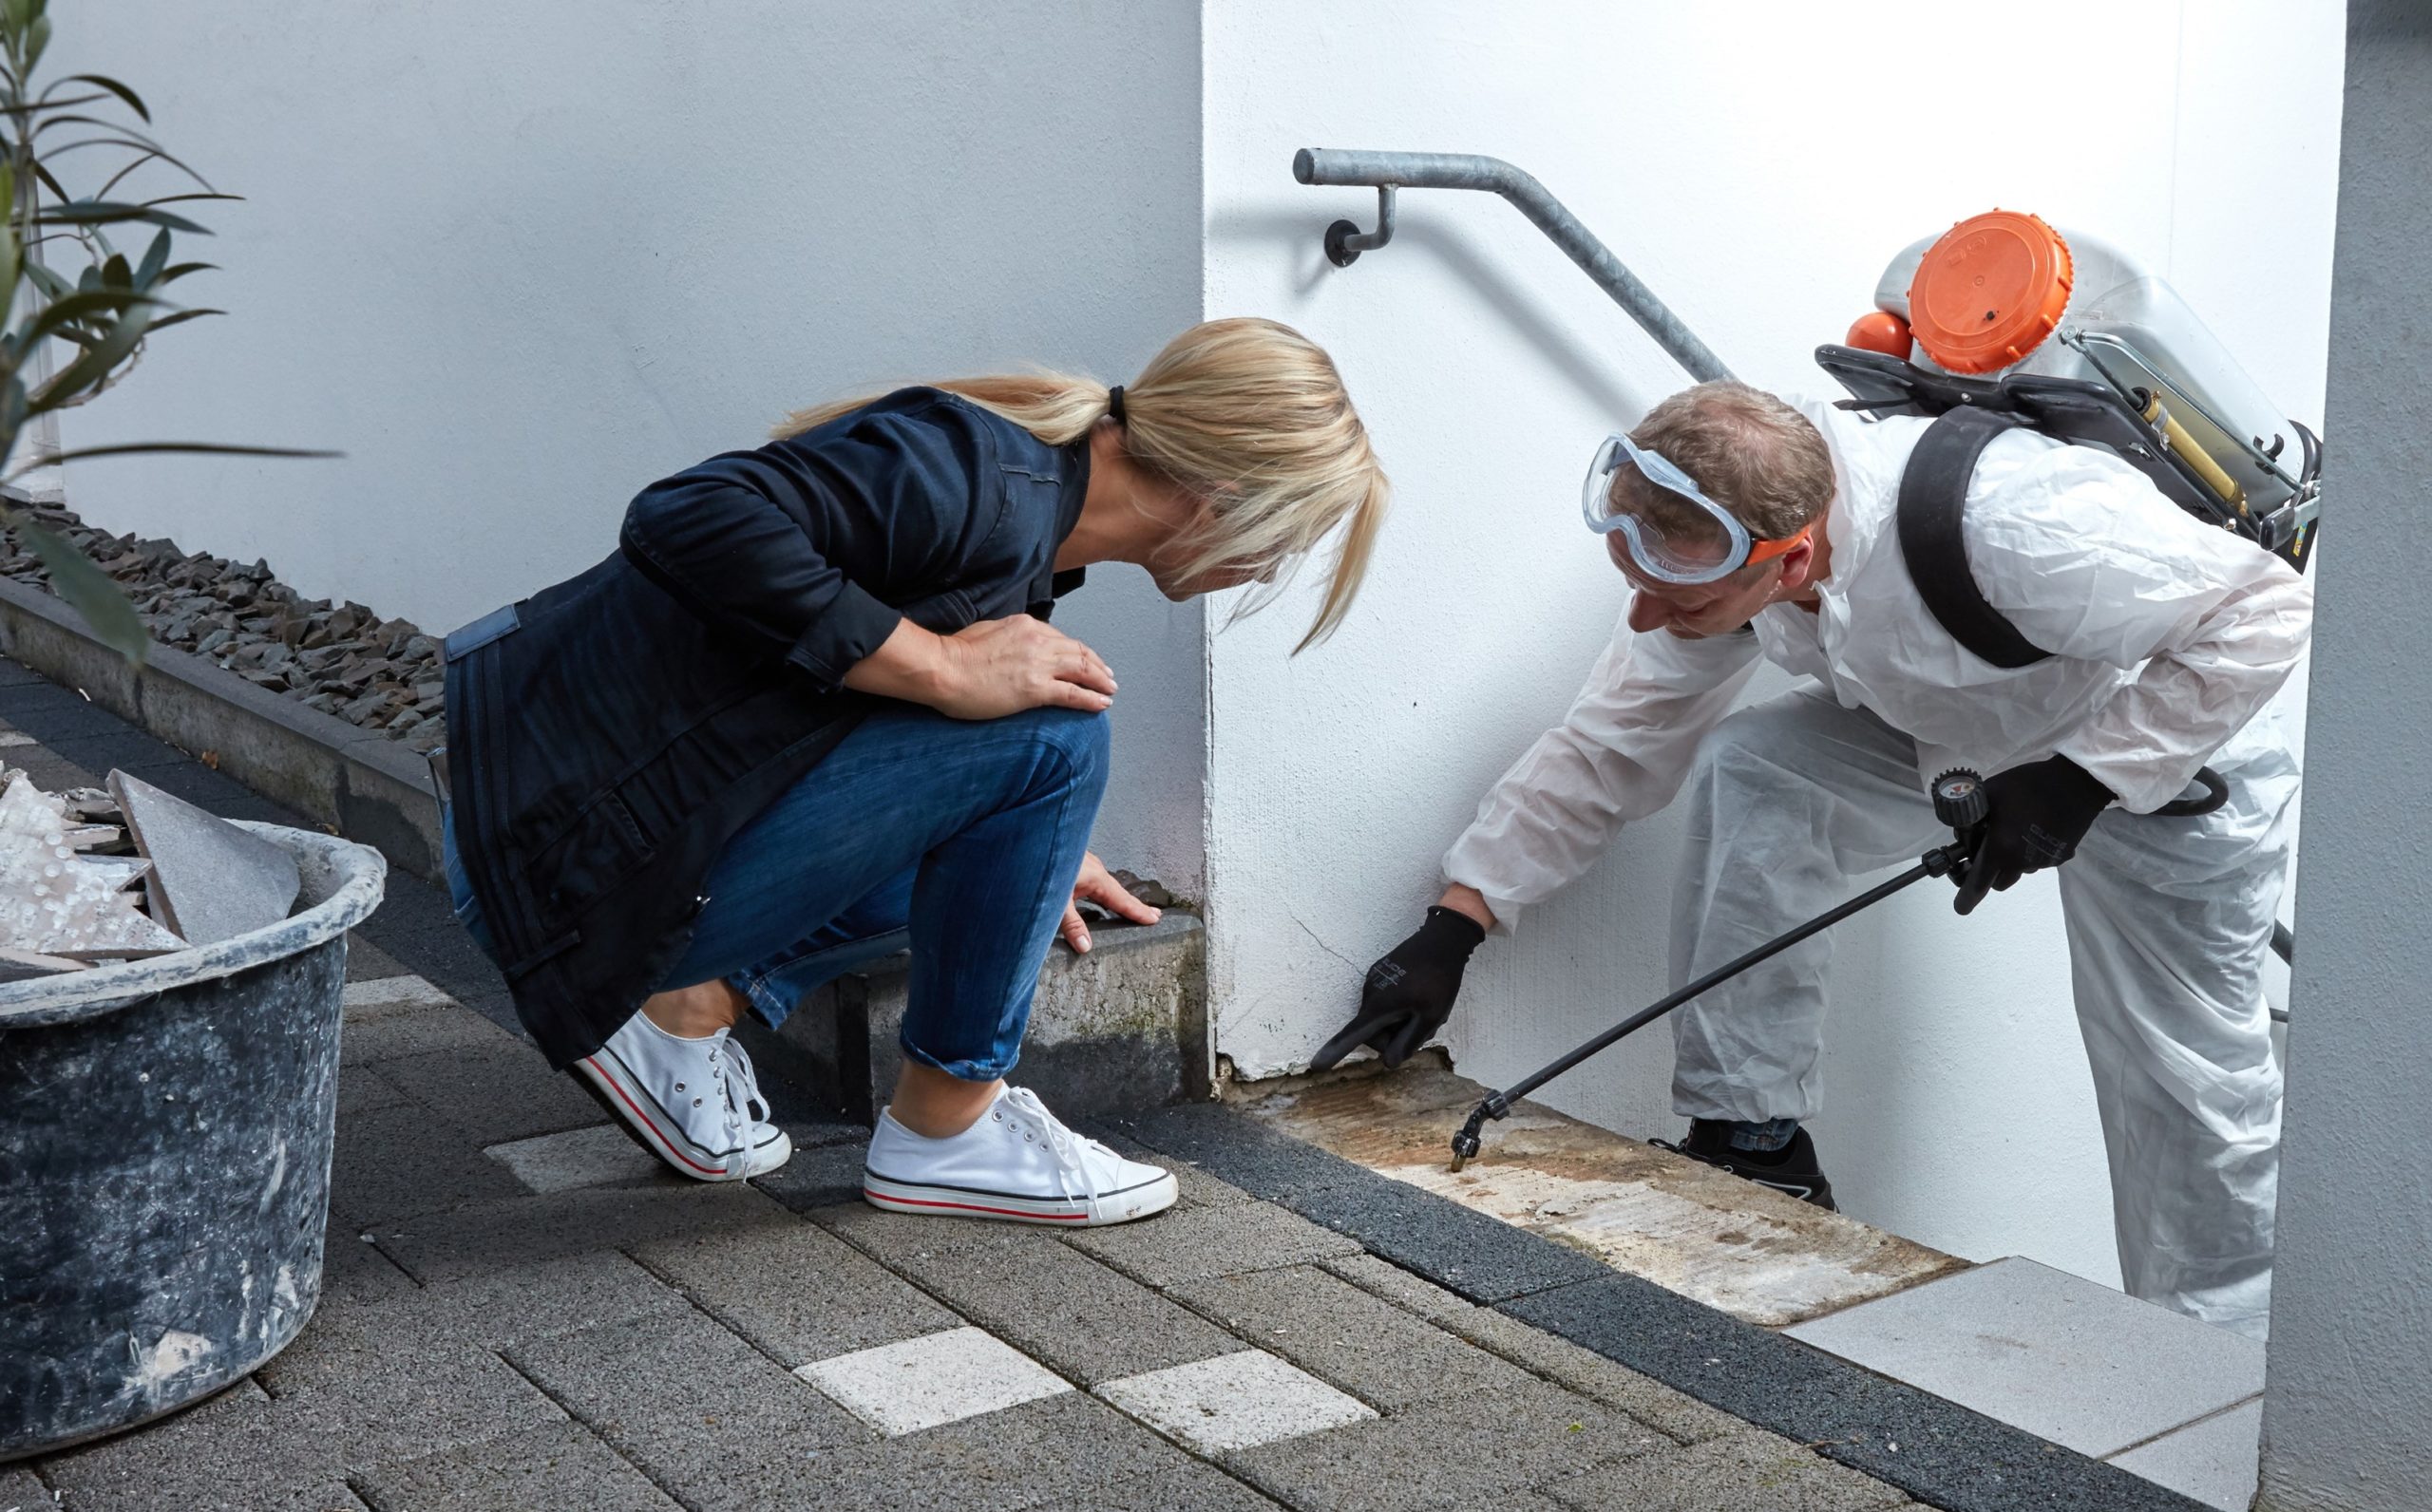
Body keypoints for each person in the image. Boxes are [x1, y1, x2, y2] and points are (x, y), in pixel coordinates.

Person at [1316, 380, 2308, 1336]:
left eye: (1674, 605)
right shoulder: (1719, 551)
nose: (1643, 620)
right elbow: (1611, 737)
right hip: (1966, 731)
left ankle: (2218, 1355)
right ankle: (1753, 1142)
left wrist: (2086, 776)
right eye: (1638, 589)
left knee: (2175, 1069)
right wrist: (1456, 921)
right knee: (1759, 770)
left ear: (1790, 565)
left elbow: (2266, 610)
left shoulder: (2026, 525)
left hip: (2178, 756)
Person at [441, 317, 1389, 1228]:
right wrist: (942, 668)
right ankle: (948, 1127)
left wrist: (1039, 847)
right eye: (1285, 538)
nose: (1269, 568)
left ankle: (683, 1010)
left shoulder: (1026, 519)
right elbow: (685, 514)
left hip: (576, 840)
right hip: (555, 859)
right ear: (1223, 494)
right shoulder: (970, 474)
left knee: (1029, 788)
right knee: (1059, 736)